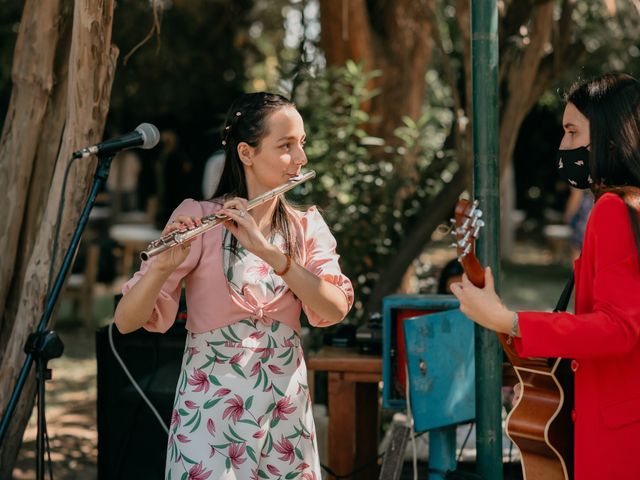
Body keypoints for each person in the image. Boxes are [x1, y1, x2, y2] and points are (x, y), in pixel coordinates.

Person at [114, 92, 354, 480]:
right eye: (286, 145)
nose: (301, 158)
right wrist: (160, 270)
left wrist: (271, 254)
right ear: (246, 152)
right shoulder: (199, 217)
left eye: (302, 144)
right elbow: (125, 322)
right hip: (210, 413)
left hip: (283, 412)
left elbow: (334, 308)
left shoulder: (306, 226)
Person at [450, 73, 640, 479]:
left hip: (617, 435)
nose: (563, 147)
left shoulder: (612, 210)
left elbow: (619, 328)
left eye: (573, 132)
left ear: (610, 137)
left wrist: (508, 321)